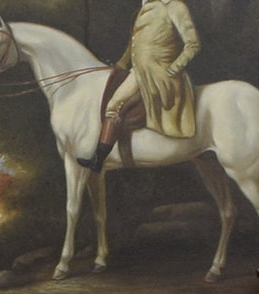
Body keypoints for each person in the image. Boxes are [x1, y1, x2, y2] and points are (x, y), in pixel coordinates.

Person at [77, 0, 201, 172]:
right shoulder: (144, 8)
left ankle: (101, 159)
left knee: (117, 105)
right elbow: (133, 47)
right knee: (113, 105)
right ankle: (98, 160)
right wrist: (120, 66)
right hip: (139, 72)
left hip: (162, 75)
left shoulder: (174, 6)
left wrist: (172, 70)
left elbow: (192, 44)